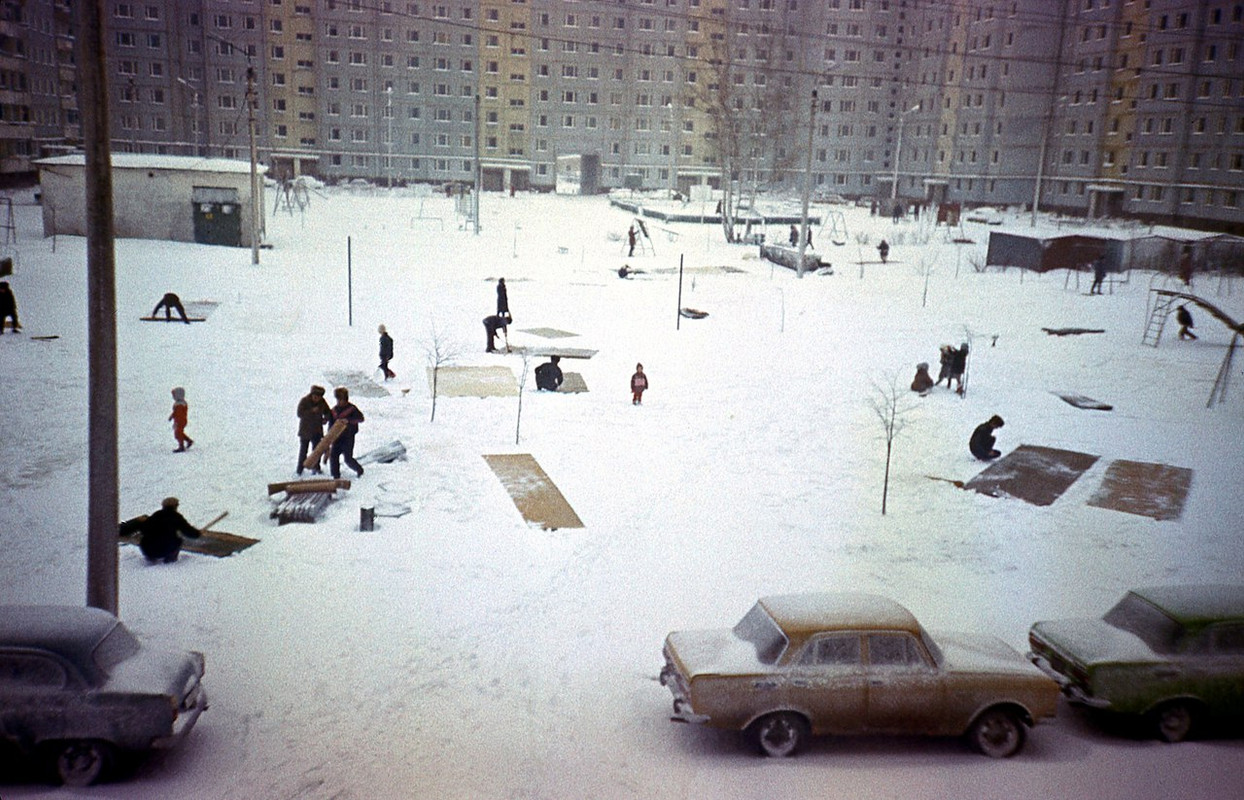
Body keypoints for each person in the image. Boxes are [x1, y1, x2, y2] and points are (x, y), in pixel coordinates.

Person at [120, 497, 201, 564]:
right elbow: (189, 532)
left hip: (147, 550)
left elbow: (145, 529)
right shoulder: (176, 517)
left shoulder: (156, 515)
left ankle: (151, 558)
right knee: (178, 540)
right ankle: (170, 559)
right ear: (176, 506)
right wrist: (197, 533)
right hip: (164, 550)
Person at [329, 387, 365, 479]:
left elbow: (361, 419)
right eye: (338, 399)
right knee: (333, 456)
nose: (339, 402)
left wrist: (348, 421)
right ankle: (335, 476)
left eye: (341, 400)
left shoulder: (352, 409)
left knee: (348, 458)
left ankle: (359, 470)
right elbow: (331, 423)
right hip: (337, 437)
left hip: (348, 437)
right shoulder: (334, 410)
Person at [296, 384, 331, 476]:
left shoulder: (322, 402)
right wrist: (311, 411)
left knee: (316, 451)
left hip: (317, 431)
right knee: (303, 451)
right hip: (305, 431)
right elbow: (299, 413)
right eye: (315, 396)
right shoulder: (304, 401)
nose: (317, 399)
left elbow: (328, 412)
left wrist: (325, 419)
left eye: (318, 397)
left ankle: (316, 467)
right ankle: (300, 468)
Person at [169, 387, 194, 452]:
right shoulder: (180, 403)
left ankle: (181, 446)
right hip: (180, 421)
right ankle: (188, 441)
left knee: (178, 433)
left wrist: (174, 418)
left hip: (180, 421)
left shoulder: (180, 404)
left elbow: (178, 413)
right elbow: (176, 412)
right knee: (179, 433)